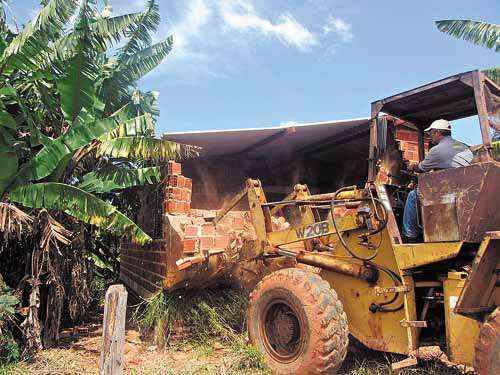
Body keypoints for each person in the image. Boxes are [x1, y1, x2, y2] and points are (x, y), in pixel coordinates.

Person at [402, 119, 471, 242]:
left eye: (431, 133)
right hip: (466, 190)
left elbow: (422, 168)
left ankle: (409, 235)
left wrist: (412, 167)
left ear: (438, 132)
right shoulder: (464, 146)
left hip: (449, 191)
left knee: (413, 195)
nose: (430, 137)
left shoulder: (437, 150)